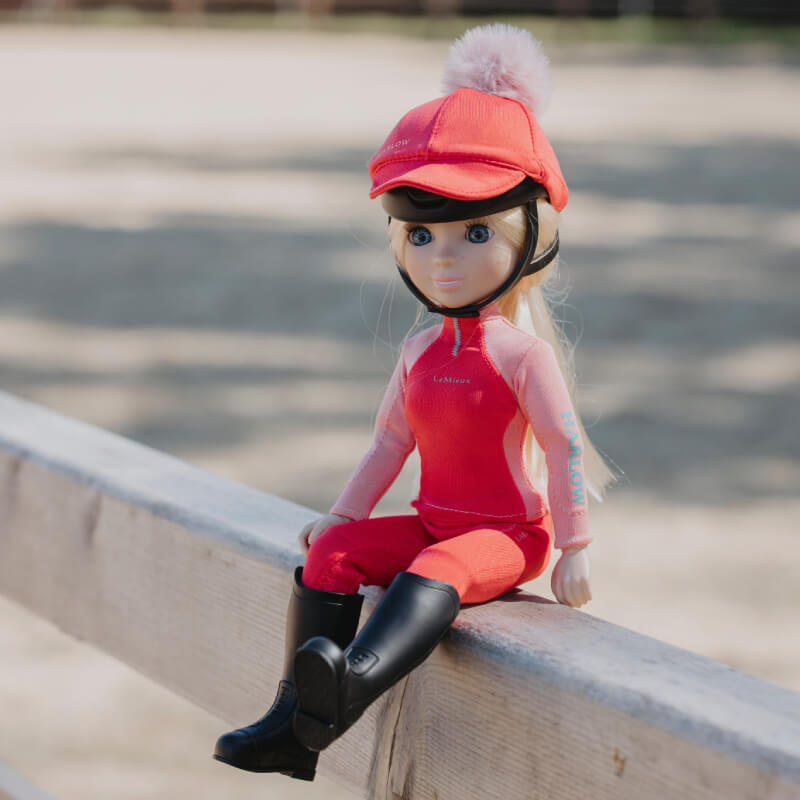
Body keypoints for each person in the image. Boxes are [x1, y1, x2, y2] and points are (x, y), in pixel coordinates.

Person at [214, 22, 614, 781]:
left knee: (439, 563)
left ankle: (346, 686)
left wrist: (574, 546)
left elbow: (563, 445)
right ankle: (289, 721)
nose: (444, 258)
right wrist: (343, 515)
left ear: (530, 237)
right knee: (332, 556)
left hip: (506, 536)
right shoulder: (420, 353)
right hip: (434, 522)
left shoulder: (522, 356)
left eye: (474, 232)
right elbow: (388, 445)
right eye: (420, 237)